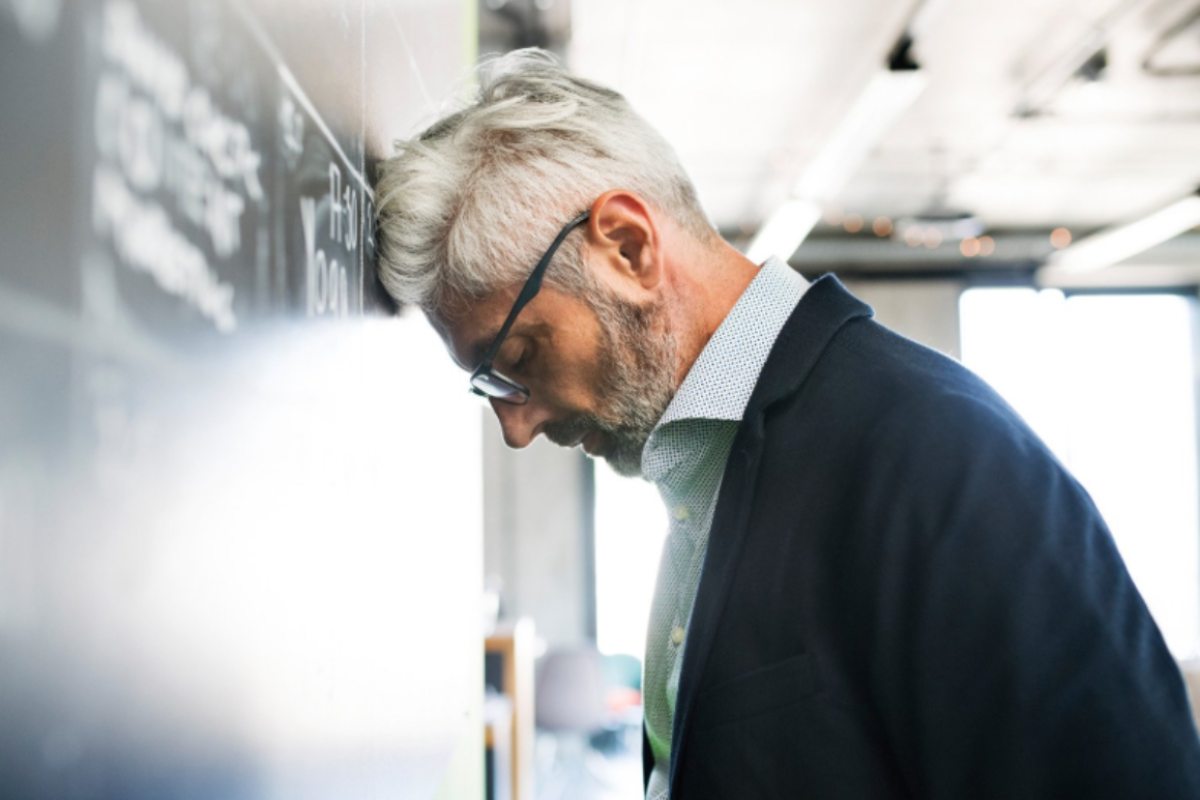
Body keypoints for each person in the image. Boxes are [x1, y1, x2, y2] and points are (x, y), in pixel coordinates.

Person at [375, 48, 1200, 798]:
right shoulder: (709, 475)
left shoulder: (942, 461)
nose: (516, 429)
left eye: (516, 357)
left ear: (626, 248)